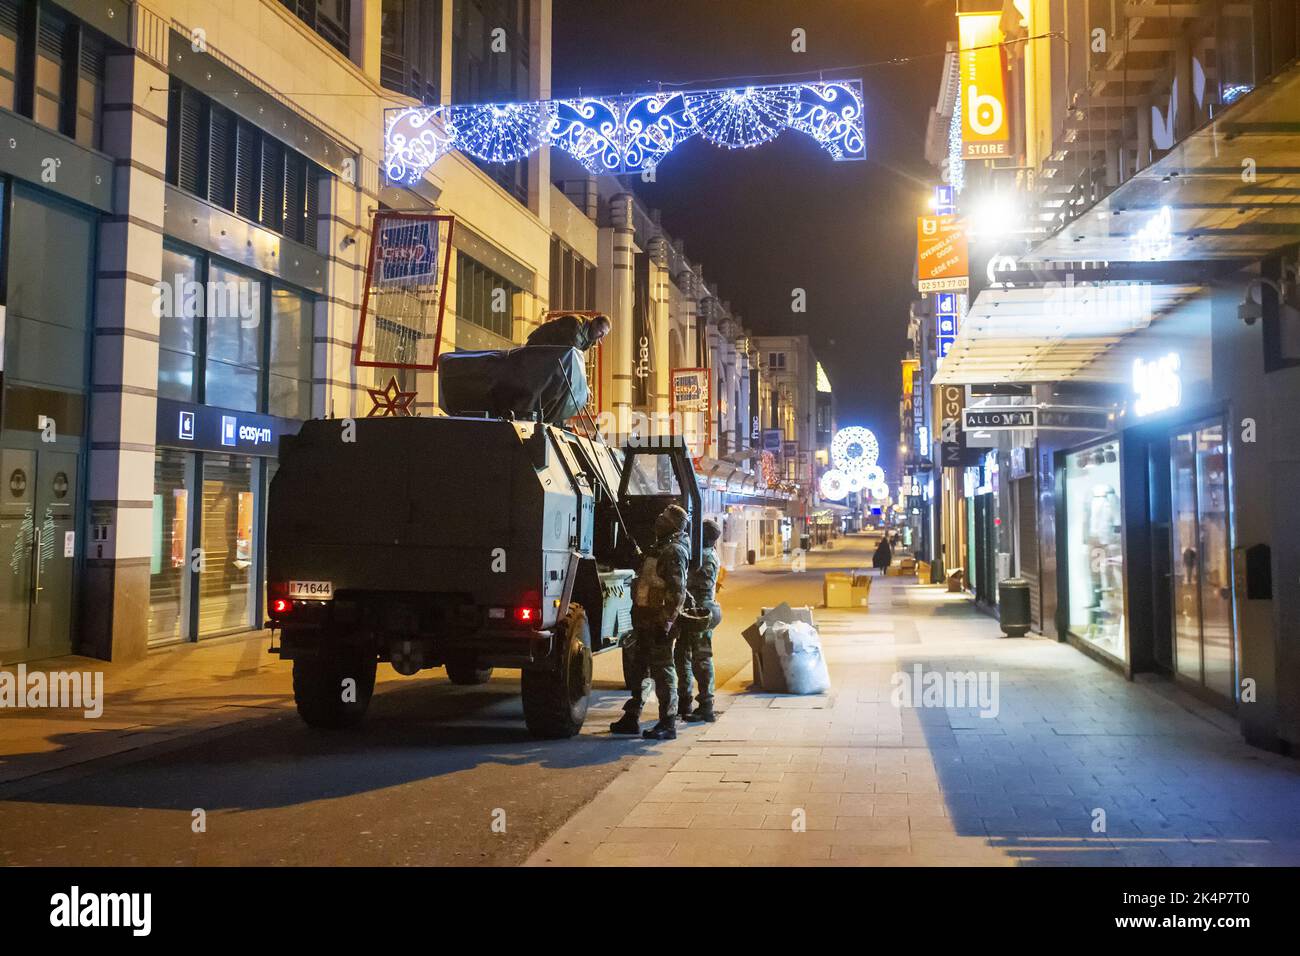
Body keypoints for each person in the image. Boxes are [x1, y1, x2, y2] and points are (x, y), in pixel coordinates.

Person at [611, 503, 690, 740]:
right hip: (645, 619)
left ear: (674, 524)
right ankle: (632, 715)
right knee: (640, 668)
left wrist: (666, 622)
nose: (659, 519)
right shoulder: (660, 547)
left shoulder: (674, 550)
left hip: (659, 622)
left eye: (664, 516)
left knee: (663, 670)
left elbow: (677, 591)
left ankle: (668, 722)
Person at [676, 519, 722, 723]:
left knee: (700, 657)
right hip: (695, 611)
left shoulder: (703, 557)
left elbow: (688, 581)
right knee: (683, 654)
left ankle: (705, 705)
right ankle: (686, 701)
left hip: (699, 612)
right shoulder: (708, 553)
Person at [525, 312, 611, 352]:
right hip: (538, 346)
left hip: (549, 352)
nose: (601, 337)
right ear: (595, 322)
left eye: (604, 334)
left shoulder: (589, 339)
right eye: (601, 331)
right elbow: (571, 353)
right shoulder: (576, 325)